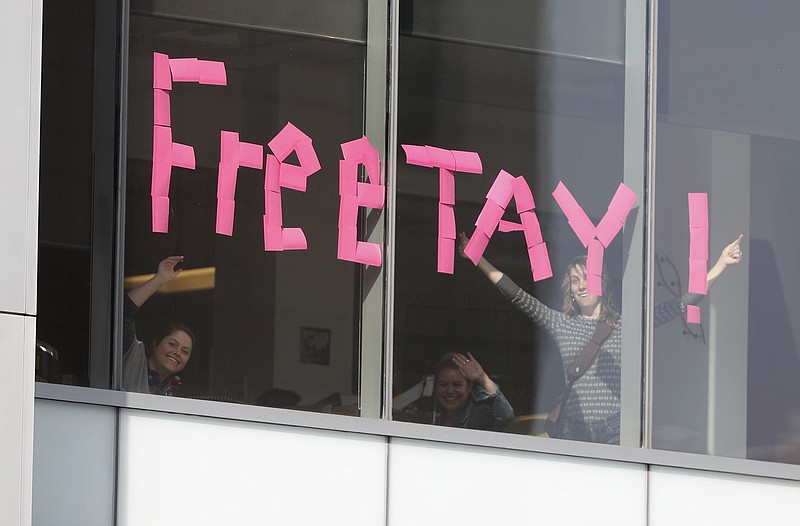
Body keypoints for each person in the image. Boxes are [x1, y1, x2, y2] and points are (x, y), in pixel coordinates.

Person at [458, 232, 743, 443]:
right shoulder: (561, 323)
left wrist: (721, 264)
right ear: (569, 289)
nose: (581, 285)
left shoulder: (626, 325)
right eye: (574, 280)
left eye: (587, 278)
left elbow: (680, 304)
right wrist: (477, 258)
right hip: (571, 428)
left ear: (601, 283)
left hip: (614, 430)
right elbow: (515, 294)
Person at [122, 255, 195, 395]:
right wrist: (159, 279)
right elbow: (123, 311)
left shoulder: (172, 394)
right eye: (172, 344)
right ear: (155, 344)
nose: (177, 352)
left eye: (185, 351)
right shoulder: (133, 357)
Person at [433, 351, 514, 431]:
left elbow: (506, 418)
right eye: (443, 384)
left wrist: (482, 378)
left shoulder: (479, 417)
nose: (450, 391)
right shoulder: (435, 421)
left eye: (457, 385)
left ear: (469, 387)